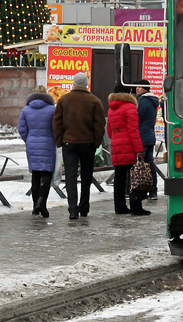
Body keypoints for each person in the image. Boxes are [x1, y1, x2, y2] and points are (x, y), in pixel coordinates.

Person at [53, 72, 106, 219]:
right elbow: (100, 125)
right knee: (86, 177)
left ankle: (72, 209)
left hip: (69, 143)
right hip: (88, 144)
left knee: (70, 176)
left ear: (74, 84)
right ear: (86, 84)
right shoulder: (94, 101)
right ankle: (84, 207)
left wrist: (59, 141)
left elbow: (57, 123)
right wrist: (96, 142)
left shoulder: (64, 100)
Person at [107, 86, 149, 216]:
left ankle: (119, 206)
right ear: (128, 93)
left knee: (119, 177)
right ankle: (136, 206)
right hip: (129, 145)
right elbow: (133, 130)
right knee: (134, 176)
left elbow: (109, 131)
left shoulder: (111, 109)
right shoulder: (130, 107)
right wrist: (139, 149)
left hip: (116, 144)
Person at [17, 85, 56, 218]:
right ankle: (42, 202)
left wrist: (28, 139)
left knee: (35, 174)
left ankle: (35, 206)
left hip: (32, 144)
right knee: (46, 173)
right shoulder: (52, 109)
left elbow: (21, 128)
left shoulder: (26, 110)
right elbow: (56, 127)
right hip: (48, 143)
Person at [134, 78, 159, 201]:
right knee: (150, 164)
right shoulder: (153, 101)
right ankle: (153, 191)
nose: (136, 89)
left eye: (139, 87)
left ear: (145, 88)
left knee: (140, 165)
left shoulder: (143, 101)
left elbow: (137, 117)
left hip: (141, 136)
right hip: (150, 136)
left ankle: (140, 189)